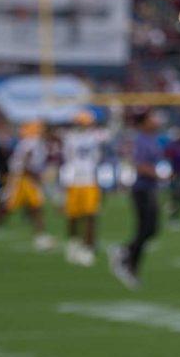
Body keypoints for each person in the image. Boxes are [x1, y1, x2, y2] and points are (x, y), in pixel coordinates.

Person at [109, 110, 162, 289]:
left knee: (151, 229)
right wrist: (158, 174)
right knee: (145, 228)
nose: (155, 121)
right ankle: (129, 264)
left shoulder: (151, 138)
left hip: (150, 189)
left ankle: (126, 254)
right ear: (143, 122)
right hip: (142, 189)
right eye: (151, 118)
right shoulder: (140, 140)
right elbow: (139, 165)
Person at [0, 120, 55, 251]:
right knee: (13, 207)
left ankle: (40, 236)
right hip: (23, 178)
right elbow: (25, 160)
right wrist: (35, 176)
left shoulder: (31, 142)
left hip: (23, 177)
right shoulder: (32, 142)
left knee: (34, 206)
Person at [60, 109, 112, 266]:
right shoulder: (70, 138)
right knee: (73, 216)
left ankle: (87, 248)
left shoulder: (95, 136)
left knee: (90, 215)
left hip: (89, 179)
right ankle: (74, 243)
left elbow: (110, 133)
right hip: (74, 180)